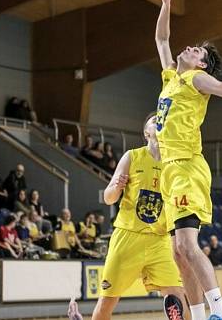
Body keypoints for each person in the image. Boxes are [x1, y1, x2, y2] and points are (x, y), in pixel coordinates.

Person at [154, 0, 222, 320]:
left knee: (189, 247)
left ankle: (221, 314)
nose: (189, 48)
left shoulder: (196, 78)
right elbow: (162, 38)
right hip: (170, 170)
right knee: (179, 253)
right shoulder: (173, 78)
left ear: (202, 64)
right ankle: (196, 314)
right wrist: (165, 4)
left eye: (197, 51)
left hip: (186, 166)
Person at [68, 113, 187, 320]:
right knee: (106, 304)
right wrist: (116, 187)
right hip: (127, 237)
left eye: (162, 119)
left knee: (178, 299)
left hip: (159, 241)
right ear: (146, 133)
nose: (159, 122)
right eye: (154, 120)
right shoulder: (132, 156)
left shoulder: (174, 163)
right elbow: (108, 198)